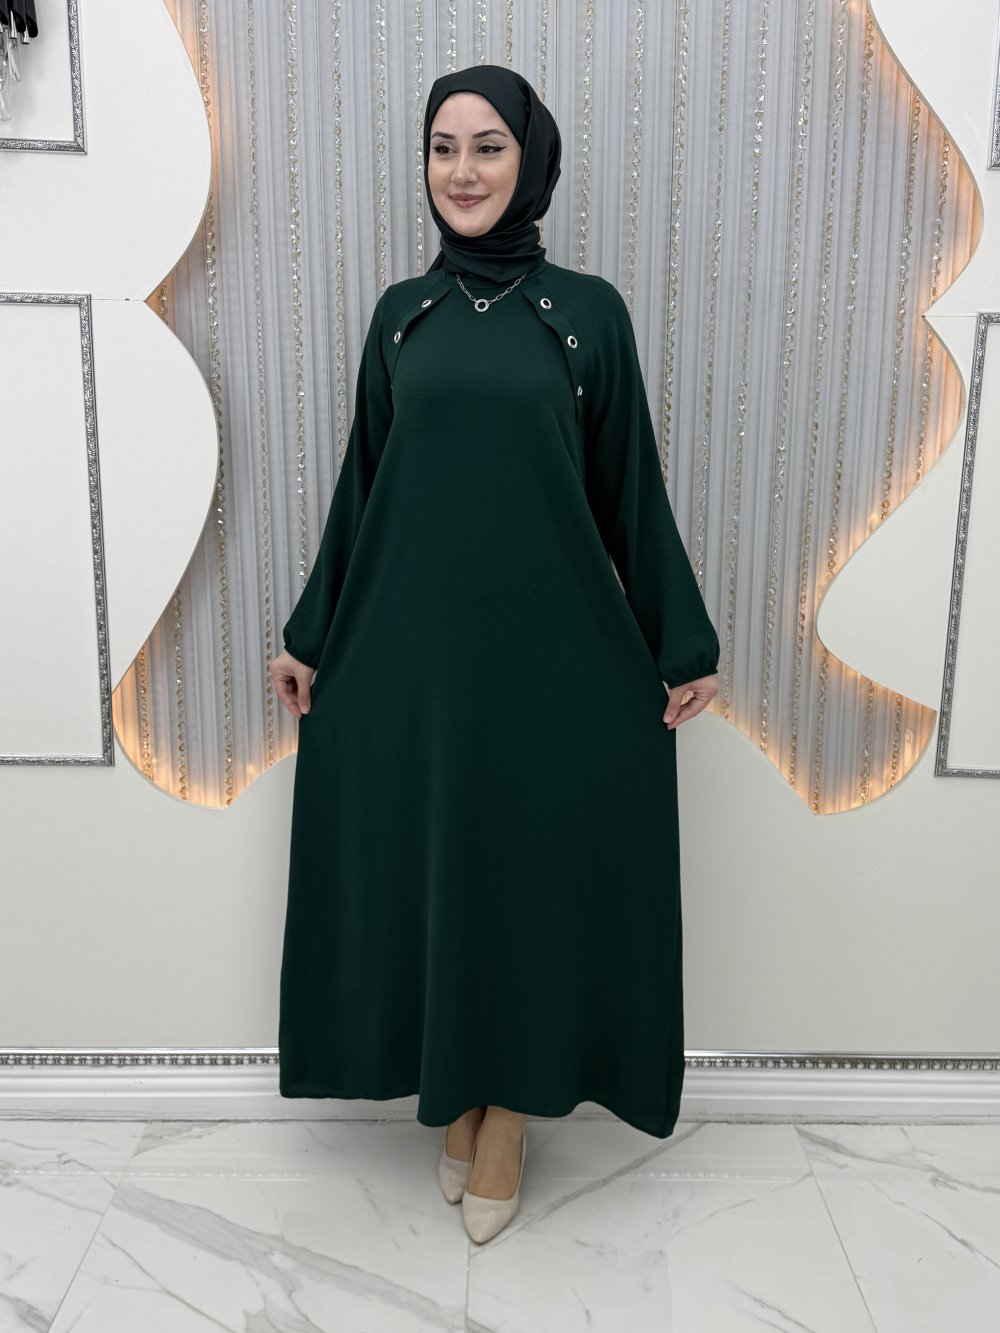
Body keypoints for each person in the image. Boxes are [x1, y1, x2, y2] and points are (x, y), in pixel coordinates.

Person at [269, 64, 720, 1245]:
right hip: (417, 654)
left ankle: (511, 1108)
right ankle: (461, 1088)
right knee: (444, 868)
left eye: (486, 147)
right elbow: (364, 485)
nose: (461, 171)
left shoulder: (587, 314)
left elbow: (628, 490)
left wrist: (681, 639)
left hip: (553, 657)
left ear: (531, 161)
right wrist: (312, 633)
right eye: (442, 147)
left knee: (527, 874)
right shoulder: (401, 315)